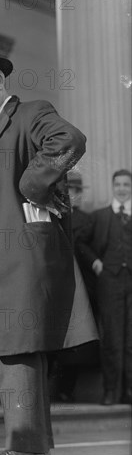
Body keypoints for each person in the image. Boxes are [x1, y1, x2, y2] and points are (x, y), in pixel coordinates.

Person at [0, 43, 97, 455]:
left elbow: (70, 139)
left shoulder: (30, 112)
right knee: (15, 347)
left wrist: (32, 187)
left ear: (0, 82)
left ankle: (24, 448)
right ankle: (34, 447)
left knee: (16, 347)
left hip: (19, 254)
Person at [79, 169, 132, 405]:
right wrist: (95, 262)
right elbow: (80, 242)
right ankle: (111, 391)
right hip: (109, 283)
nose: (122, 189)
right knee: (111, 338)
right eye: (118, 185)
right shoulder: (100, 216)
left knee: (131, 340)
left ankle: (129, 391)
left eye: (126, 185)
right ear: (113, 187)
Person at [49, 172, 99, 403]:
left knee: (77, 343)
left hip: (82, 287)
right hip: (57, 285)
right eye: (69, 191)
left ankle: (66, 389)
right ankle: (54, 387)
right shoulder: (54, 216)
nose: (73, 195)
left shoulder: (88, 220)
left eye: (77, 191)